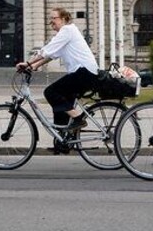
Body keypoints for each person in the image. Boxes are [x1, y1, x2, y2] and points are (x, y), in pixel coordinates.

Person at [16, 8, 99, 154]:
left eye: (54, 18)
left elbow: (47, 50)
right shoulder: (66, 34)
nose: (51, 21)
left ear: (64, 19)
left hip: (84, 72)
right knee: (60, 104)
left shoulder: (67, 31)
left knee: (50, 92)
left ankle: (78, 118)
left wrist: (28, 63)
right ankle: (62, 141)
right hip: (83, 73)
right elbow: (51, 55)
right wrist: (34, 66)